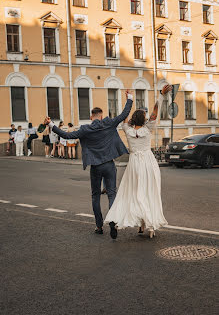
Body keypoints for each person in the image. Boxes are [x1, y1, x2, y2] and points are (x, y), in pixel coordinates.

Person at [44, 91, 133, 238]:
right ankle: (113, 220)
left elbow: (66, 135)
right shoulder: (108, 122)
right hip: (109, 165)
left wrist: (51, 124)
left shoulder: (86, 129)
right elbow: (124, 114)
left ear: (91, 117)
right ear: (102, 115)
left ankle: (99, 226)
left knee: (95, 195)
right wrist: (129, 98)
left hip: (95, 166)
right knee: (112, 194)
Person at [105, 85, 172, 239]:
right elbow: (155, 113)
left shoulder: (127, 129)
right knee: (149, 193)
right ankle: (148, 227)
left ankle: (127, 222)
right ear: (144, 119)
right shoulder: (148, 128)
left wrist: (128, 99)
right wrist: (161, 95)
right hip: (148, 163)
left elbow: (124, 117)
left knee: (132, 193)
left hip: (134, 163)